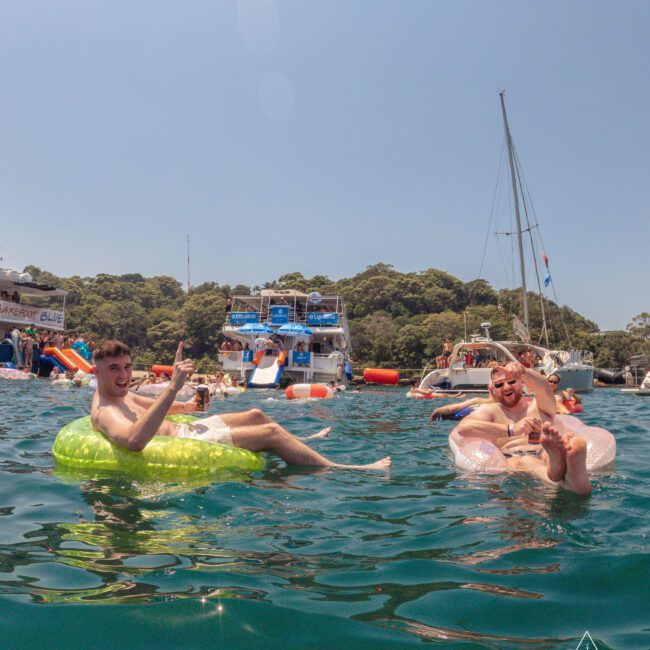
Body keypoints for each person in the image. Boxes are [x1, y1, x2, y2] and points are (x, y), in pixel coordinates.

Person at [91, 340, 390, 471]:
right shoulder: (106, 411)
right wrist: (173, 385)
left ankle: (302, 441)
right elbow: (134, 442)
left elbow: (154, 405)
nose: (124, 375)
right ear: (98, 372)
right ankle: (342, 467)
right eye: (115, 368)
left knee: (256, 413)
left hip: (188, 429)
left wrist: (187, 405)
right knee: (270, 431)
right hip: (185, 442)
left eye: (128, 367)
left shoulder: (123, 394)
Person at [457, 361, 592, 495]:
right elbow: (464, 428)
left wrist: (524, 372)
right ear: (491, 389)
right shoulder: (491, 411)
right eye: (499, 385)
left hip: (543, 449)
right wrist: (512, 429)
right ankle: (567, 477)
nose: (506, 387)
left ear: (522, 383)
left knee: (545, 453)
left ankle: (559, 461)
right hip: (513, 456)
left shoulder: (539, 405)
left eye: (511, 382)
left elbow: (543, 388)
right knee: (527, 461)